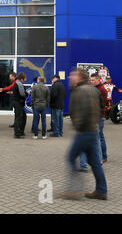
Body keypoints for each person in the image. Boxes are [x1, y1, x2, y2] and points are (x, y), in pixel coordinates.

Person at [60, 68, 107, 201]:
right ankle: (101, 190)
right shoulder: (93, 89)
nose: (70, 78)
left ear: (79, 77)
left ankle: (74, 190)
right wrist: (96, 123)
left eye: (73, 75)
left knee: (70, 158)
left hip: (84, 132)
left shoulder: (80, 90)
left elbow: (83, 111)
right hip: (92, 130)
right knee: (95, 163)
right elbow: (101, 107)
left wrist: (78, 126)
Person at [79, 73, 108, 170]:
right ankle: (101, 158)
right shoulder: (96, 89)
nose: (91, 82)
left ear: (98, 80)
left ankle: (93, 161)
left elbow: (99, 106)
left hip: (96, 118)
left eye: (93, 80)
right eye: (90, 80)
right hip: (97, 118)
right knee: (98, 139)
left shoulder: (100, 90)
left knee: (96, 140)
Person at [13, 72, 28, 139]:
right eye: (25, 78)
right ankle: (17, 133)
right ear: (22, 78)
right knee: (19, 118)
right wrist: (27, 94)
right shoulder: (19, 84)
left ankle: (20, 131)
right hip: (18, 103)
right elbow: (22, 94)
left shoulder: (17, 83)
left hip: (17, 102)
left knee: (22, 117)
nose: (26, 79)